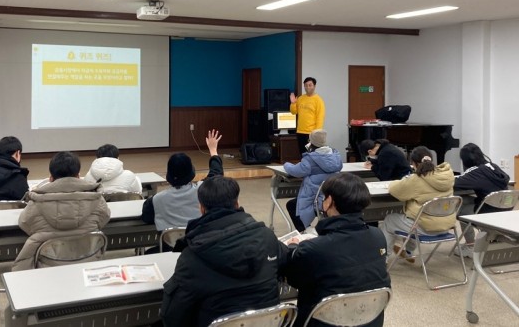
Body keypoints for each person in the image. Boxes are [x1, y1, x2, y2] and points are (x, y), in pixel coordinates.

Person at [161, 175, 290, 327]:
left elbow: (172, 317)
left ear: (201, 208)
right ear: (237, 203)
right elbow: (288, 264)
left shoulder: (193, 257)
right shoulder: (267, 238)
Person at [284, 173, 391, 327]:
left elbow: (293, 279)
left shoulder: (313, 249)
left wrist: (294, 247)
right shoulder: (378, 236)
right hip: (370, 321)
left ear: (329, 201)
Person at [12, 151, 110, 271]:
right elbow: (104, 219)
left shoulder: (37, 202)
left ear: (51, 178)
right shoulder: (97, 199)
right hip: (88, 261)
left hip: (48, 265)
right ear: (78, 176)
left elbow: (24, 224)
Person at [141, 130, 223, 248]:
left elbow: (146, 218)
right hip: (198, 249)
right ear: (191, 173)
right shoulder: (203, 191)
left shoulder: (156, 200)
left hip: (169, 251)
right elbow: (216, 174)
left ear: (168, 176)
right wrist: (213, 150)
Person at [380, 146, 455, 260]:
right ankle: (409, 252)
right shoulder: (447, 177)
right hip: (446, 226)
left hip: (426, 228)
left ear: (413, 163)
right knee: (411, 215)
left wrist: (399, 181)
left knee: (390, 220)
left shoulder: (416, 179)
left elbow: (395, 190)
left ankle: (383, 258)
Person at [453, 143, 511, 257]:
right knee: (466, 200)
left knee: (460, 205)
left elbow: (454, 182)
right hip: (505, 209)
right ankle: (494, 237)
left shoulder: (475, 172)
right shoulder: (493, 166)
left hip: (488, 213)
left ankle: (470, 245)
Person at [284, 129, 343, 232]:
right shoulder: (335, 156)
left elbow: (296, 171)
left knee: (292, 205)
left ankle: (304, 231)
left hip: (316, 199)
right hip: (332, 197)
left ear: (311, 142)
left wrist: (286, 164)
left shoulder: (310, 159)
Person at [290, 77, 326, 155]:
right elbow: (293, 112)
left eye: (310, 85)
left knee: (311, 154)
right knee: (303, 154)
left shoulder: (318, 100)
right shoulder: (300, 98)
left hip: (311, 133)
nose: (308, 87)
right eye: (306, 85)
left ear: (314, 86)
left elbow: (320, 118)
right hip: (300, 132)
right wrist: (293, 103)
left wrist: (316, 133)